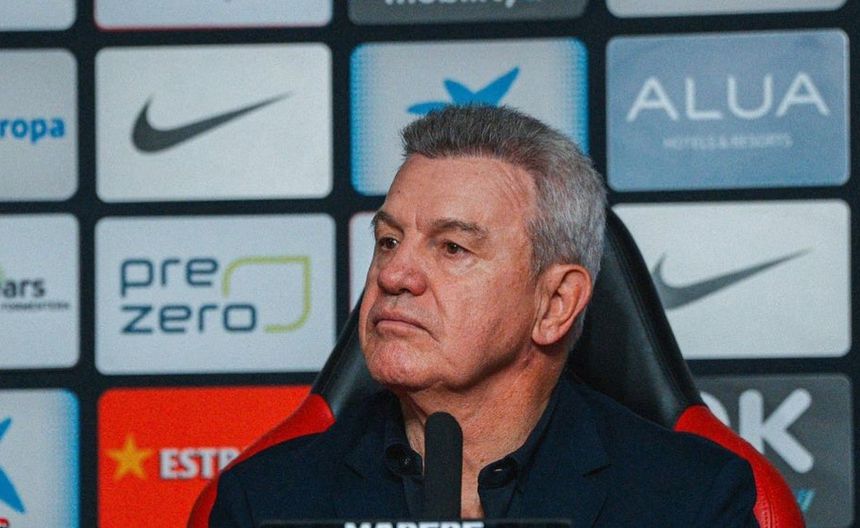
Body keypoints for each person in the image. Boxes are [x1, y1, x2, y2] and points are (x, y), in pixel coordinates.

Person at [209, 105, 758, 527]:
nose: (395, 274)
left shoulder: (692, 500)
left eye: (452, 248)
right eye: (389, 240)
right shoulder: (264, 500)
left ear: (555, 303)